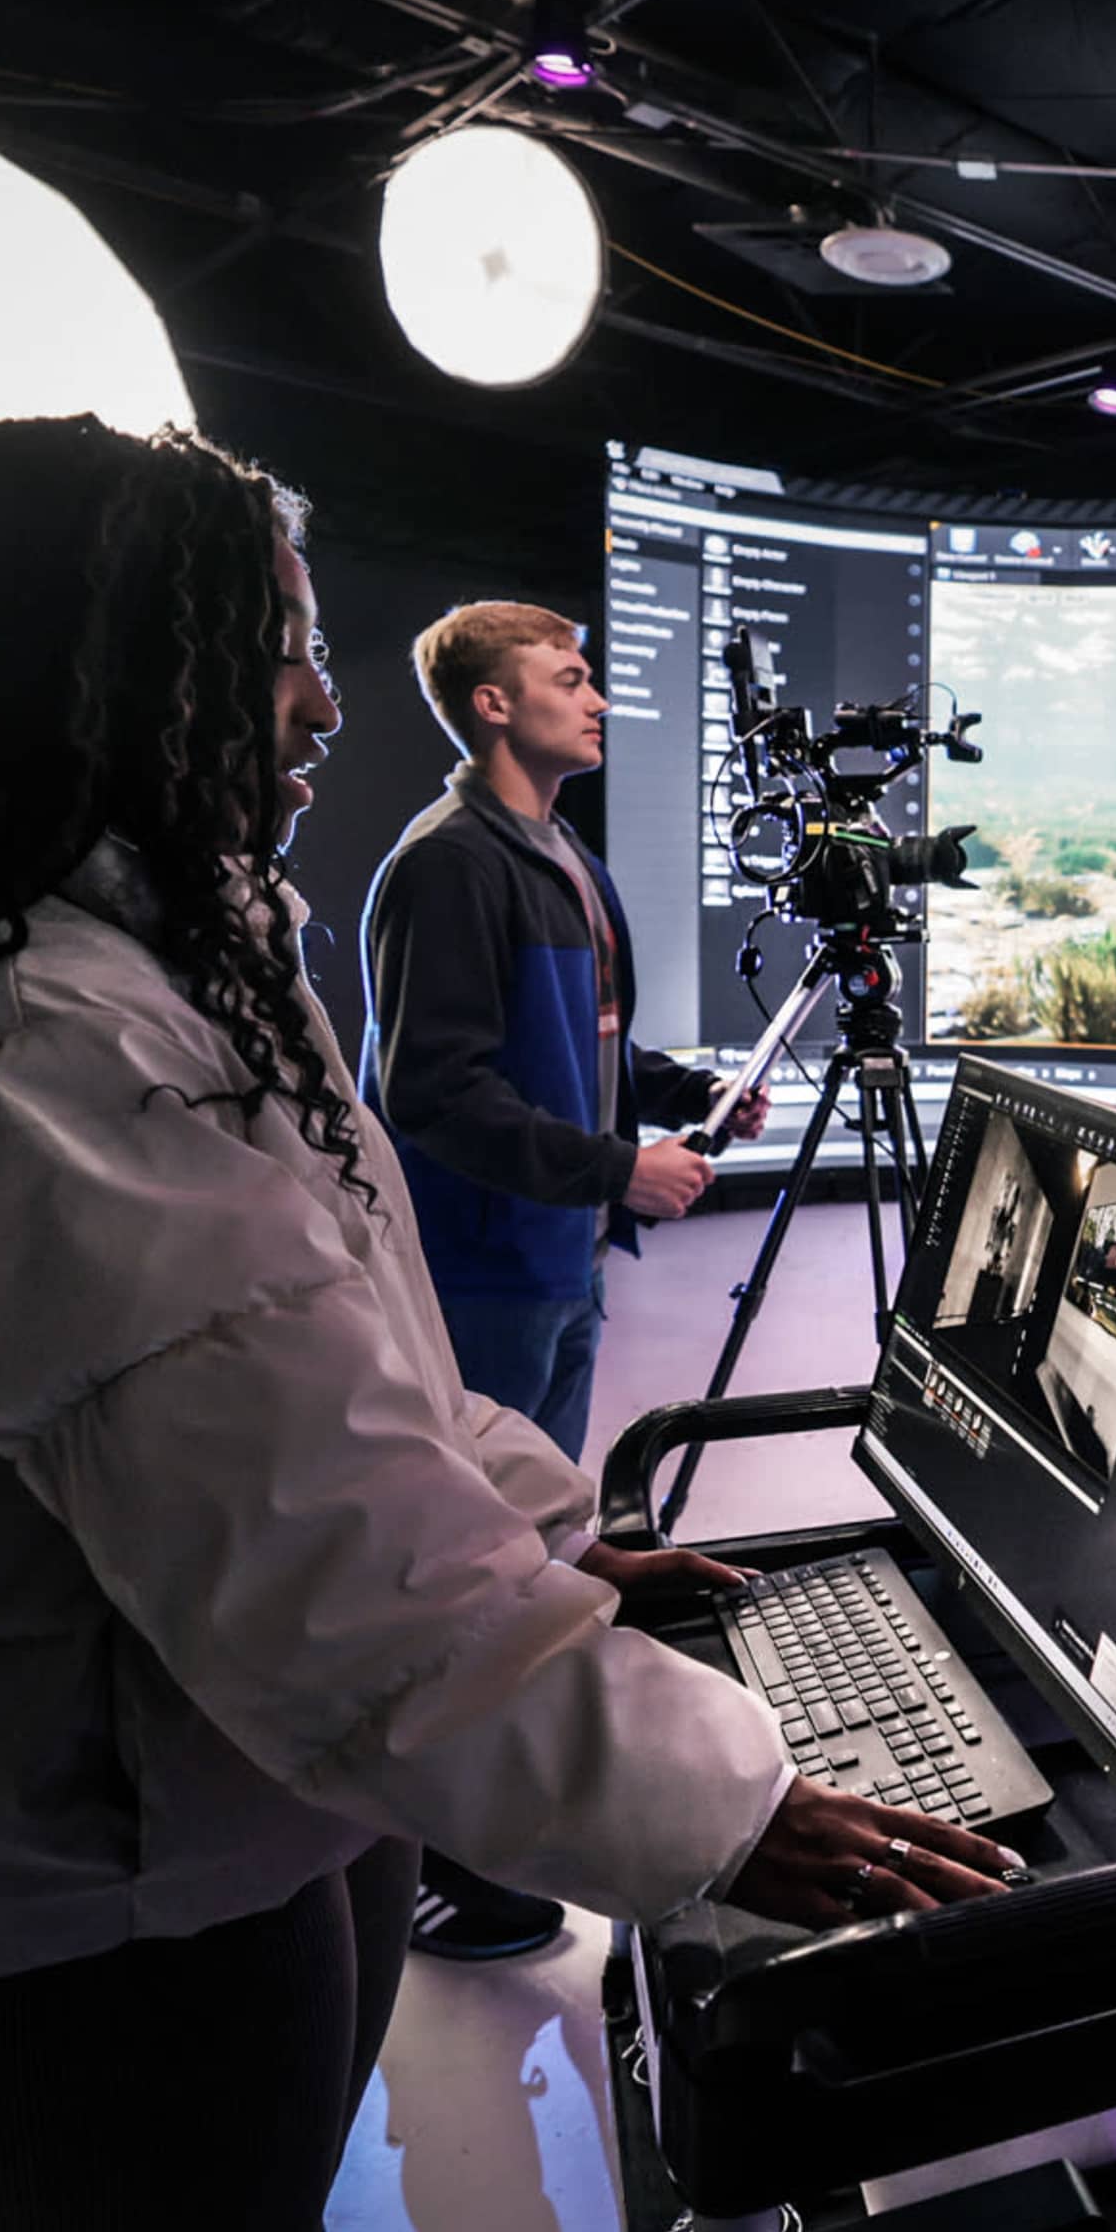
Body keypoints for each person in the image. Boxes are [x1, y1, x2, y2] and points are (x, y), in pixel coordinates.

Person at [0, 417, 1006, 2232]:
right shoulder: (33, 1016)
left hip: (205, 1801)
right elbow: (310, 1527)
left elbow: (351, 1375)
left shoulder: (153, 950)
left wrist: (550, 1561)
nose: (323, 700)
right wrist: (717, 1807)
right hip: (93, 1875)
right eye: (271, 646)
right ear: (102, 662)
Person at [358, 598, 760, 1958]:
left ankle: (500, 1830)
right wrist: (614, 1169)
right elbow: (432, 1091)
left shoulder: (558, 854)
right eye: (568, 677)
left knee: (535, 1558)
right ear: (490, 704)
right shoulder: (448, 864)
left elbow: (584, 1042)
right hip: (478, 1273)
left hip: (557, 1263)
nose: (594, 698)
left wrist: (680, 1091)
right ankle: (454, 1865)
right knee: (467, 1570)